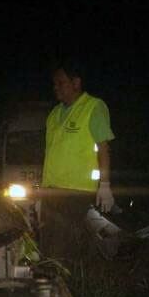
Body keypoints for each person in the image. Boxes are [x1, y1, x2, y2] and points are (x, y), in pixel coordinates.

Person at [38, 59, 116, 266]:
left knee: (63, 248)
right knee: (46, 246)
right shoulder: (54, 114)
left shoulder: (93, 107)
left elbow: (104, 148)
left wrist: (105, 185)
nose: (56, 88)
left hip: (75, 191)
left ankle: (66, 283)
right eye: (54, 84)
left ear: (76, 83)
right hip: (50, 190)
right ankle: (49, 282)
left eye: (60, 83)